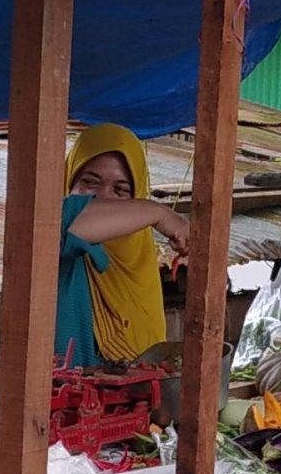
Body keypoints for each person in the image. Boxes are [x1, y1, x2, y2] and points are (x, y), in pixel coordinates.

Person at [56, 123, 190, 366]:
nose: (104, 197)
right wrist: (161, 213)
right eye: (90, 182)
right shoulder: (53, 234)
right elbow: (71, 221)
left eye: (121, 190)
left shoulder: (139, 260)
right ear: (68, 181)